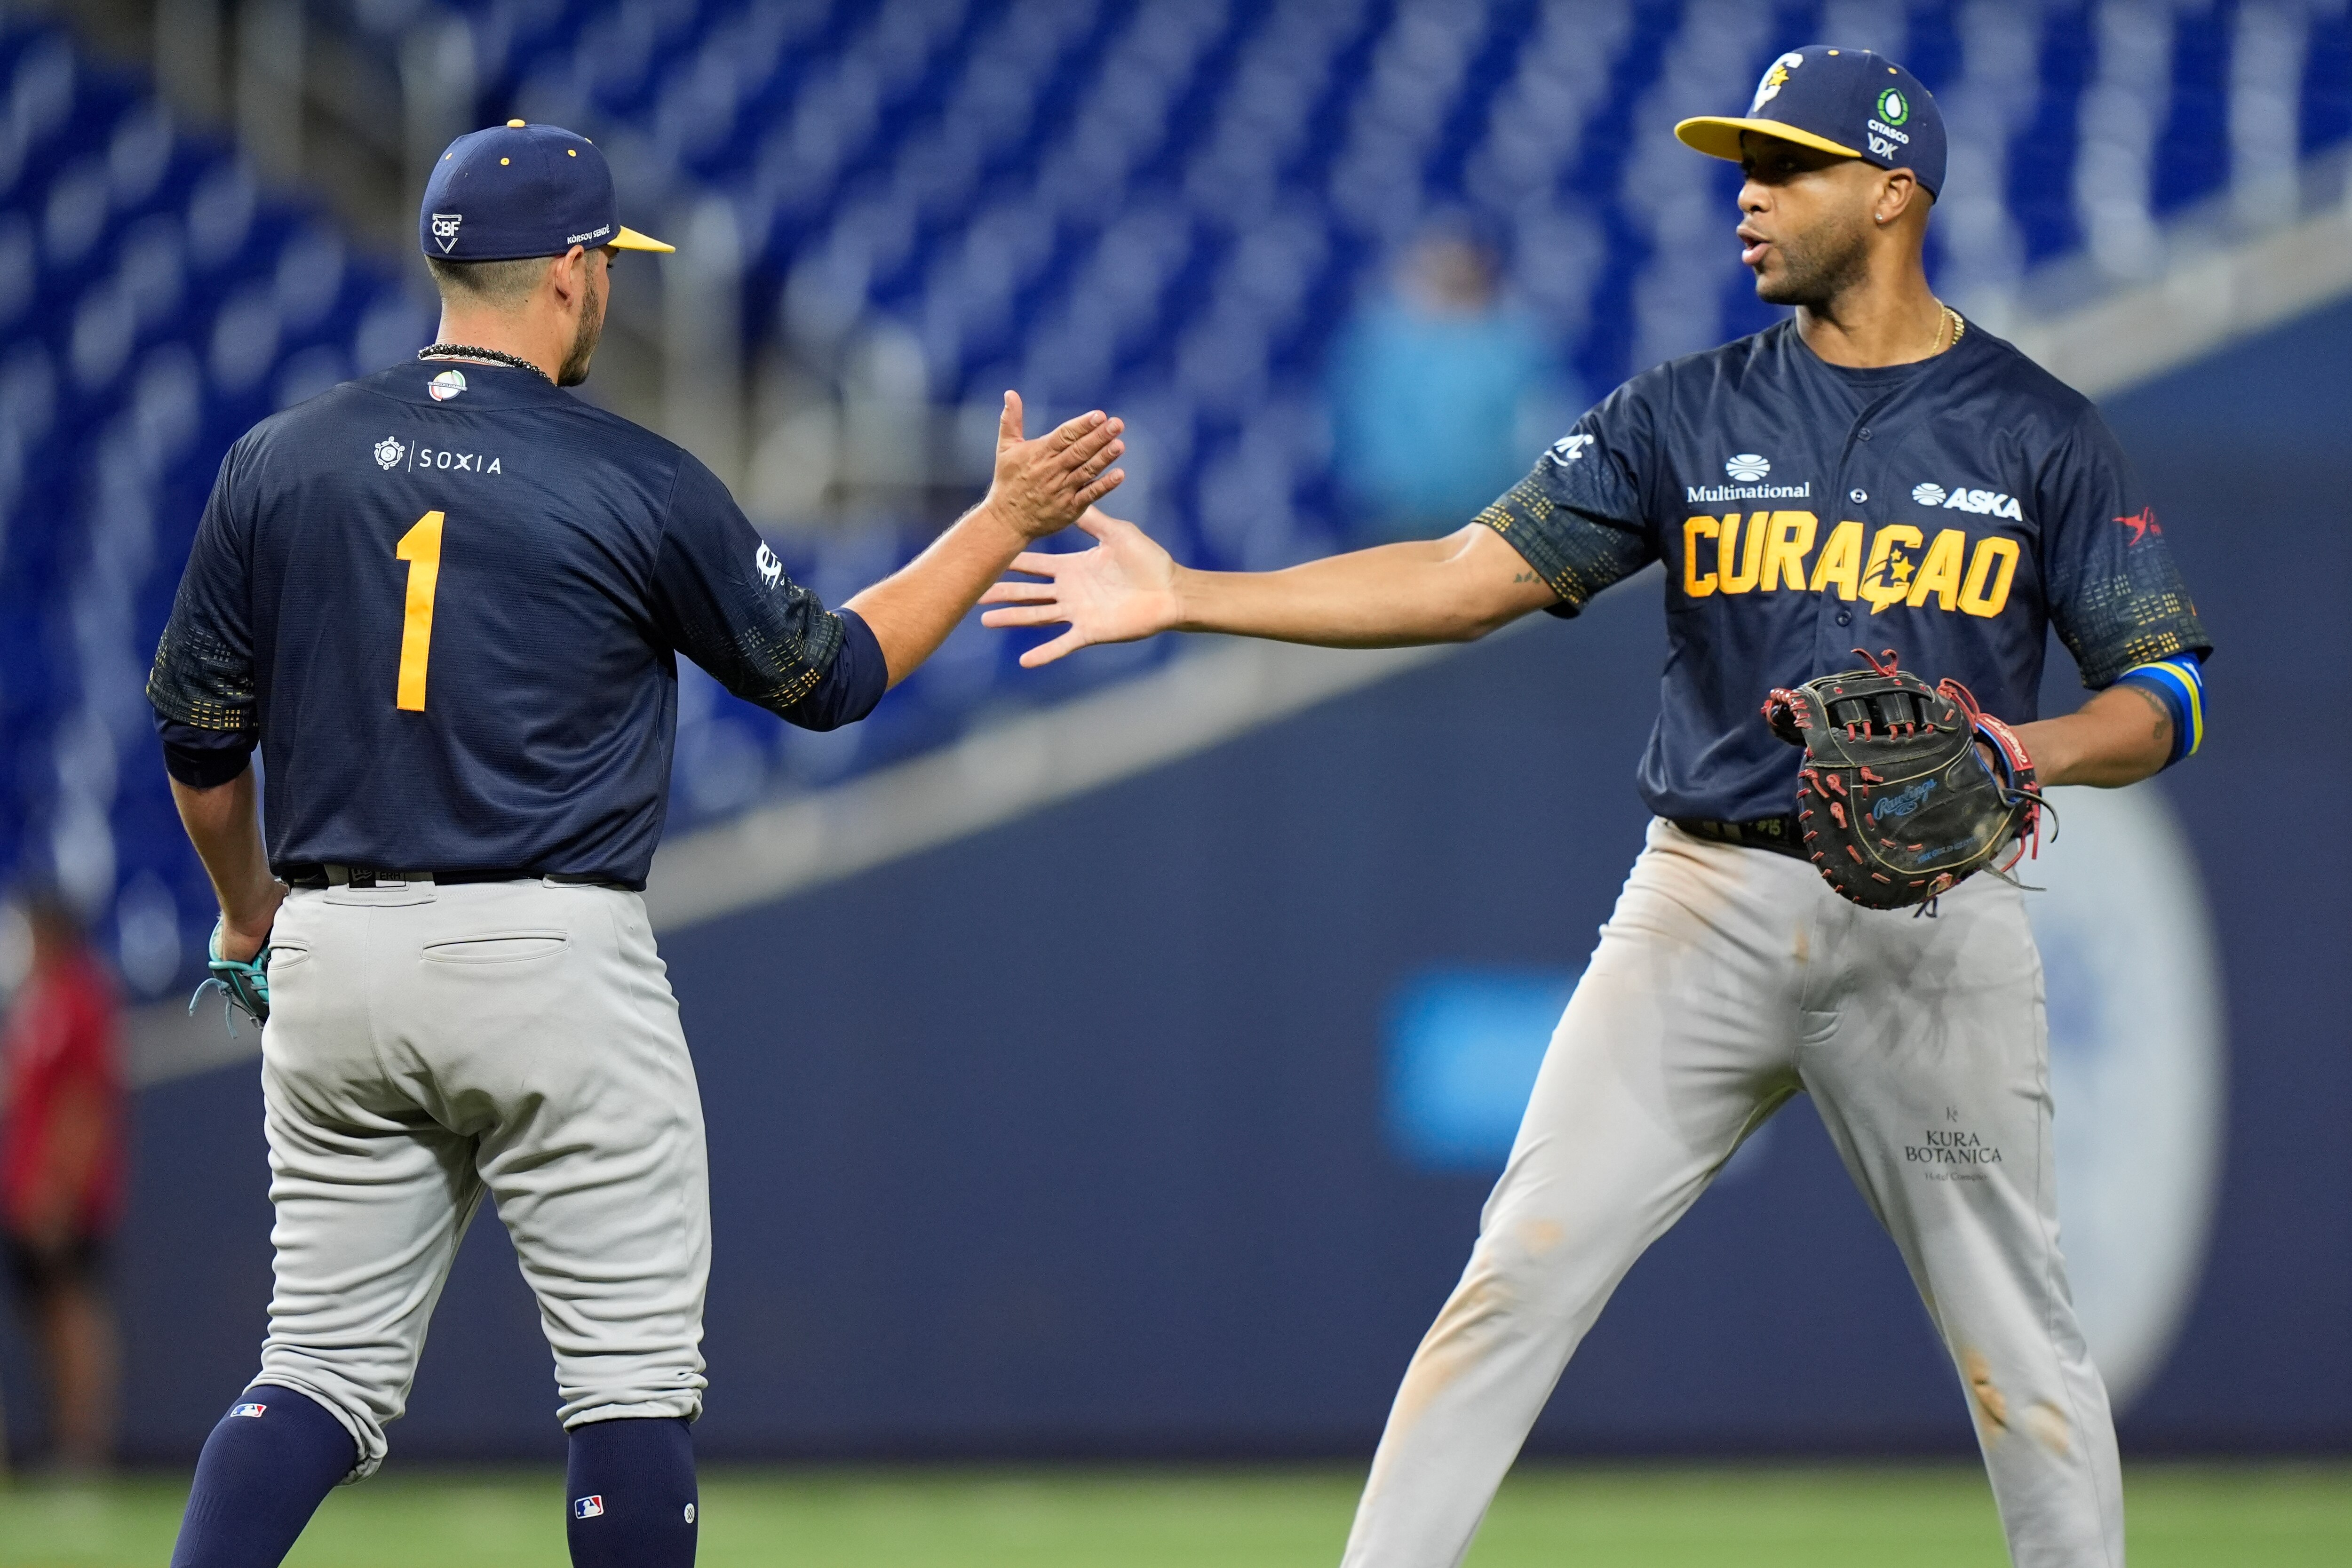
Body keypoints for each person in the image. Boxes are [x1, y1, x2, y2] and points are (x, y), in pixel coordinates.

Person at [981, 47, 2209, 1568]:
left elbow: (2165, 698)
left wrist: (2026, 753)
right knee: (1518, 1273)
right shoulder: (1684, 415)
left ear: (1895, 195)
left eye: (1789, 169)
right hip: (1704, 911)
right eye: (1742, 168)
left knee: (2022, 1352)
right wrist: (1190, 594)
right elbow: (1461, 575)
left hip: (1933, 933)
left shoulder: (2038, 430)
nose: (1747, 200)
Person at [146, 120, 1123, 1568]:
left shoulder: (280, 459)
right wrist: (997, 524)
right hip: (548, 954)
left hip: (334, 948)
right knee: (625, 1388)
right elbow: (829, 679)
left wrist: (248, 916)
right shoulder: (630, 477)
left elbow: (201, 750)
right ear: (574, 276)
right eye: (605, 266)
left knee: (317, 1376)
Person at [1327, 222, 1564, 544]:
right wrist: (1390, 488)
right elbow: (1359, 422)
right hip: (1399, 517)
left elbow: (1537, 422)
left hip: (1494, 516)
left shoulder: (1515, 340)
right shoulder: (1384, 340)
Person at [0, 887, 126, 1472]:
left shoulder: (80, 998)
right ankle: (66, 1438)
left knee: (72, 1311)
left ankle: (83, 1445)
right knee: (45, 1312)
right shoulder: (36, 1000)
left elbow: (83, 1103)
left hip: (60, 1193)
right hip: (24, 1186)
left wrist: (60, 1187)